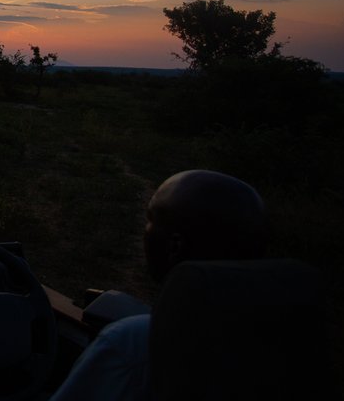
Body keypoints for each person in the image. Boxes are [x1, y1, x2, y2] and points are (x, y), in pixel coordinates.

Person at [50, 170, 268, 401]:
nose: (146, 231)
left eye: (150, 219)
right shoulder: (288, 345)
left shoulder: (135, 344)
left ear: (175, 246)